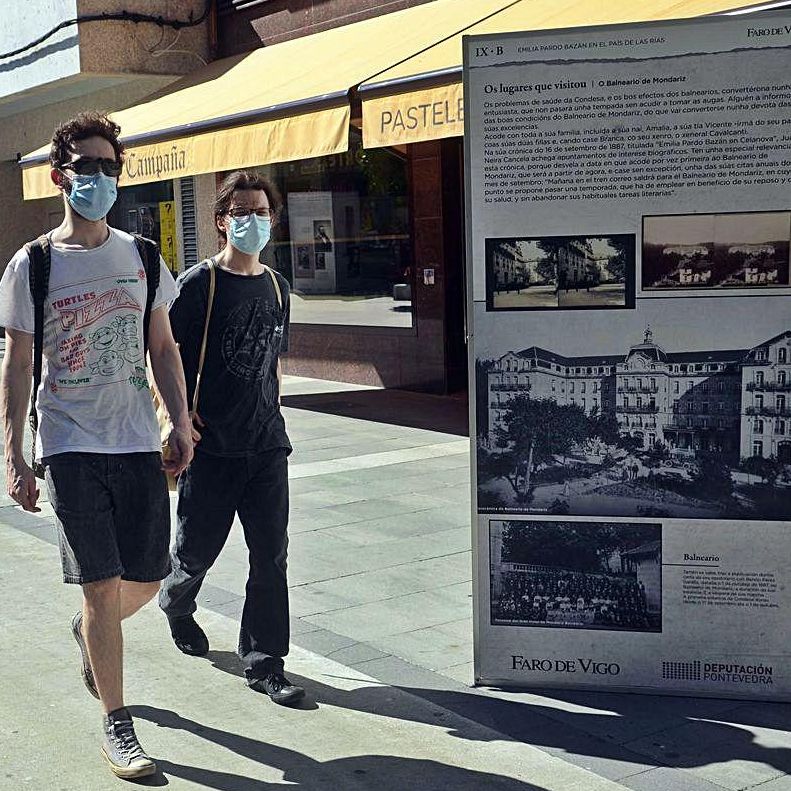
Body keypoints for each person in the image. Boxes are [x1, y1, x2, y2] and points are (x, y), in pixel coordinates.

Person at [0, 112, 193, 779]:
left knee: (147, 575)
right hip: (70, 442)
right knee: (101, 580)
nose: (101, 178)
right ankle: (118, 722)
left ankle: (89, 630)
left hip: (136, 440)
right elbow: (19, 361)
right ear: (61, 176)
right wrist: (14, 453)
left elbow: (162, 345)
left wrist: (181, 419)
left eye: (111, 167)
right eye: (88, 168)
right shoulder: (36, 263)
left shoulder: (142, 256)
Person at [158, 170, 303, 706]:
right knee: (195, 553)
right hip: (211, 449)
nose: (252, 220)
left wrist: (275, 415)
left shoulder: (277, 286)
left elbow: (272, 366)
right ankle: (176, 602)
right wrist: (175, 418)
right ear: (221, 222)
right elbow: (163, 353)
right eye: (240, 212)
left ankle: (265, 662)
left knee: (271, 557)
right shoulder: (200, 285)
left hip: (267, 447)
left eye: (260, 212)